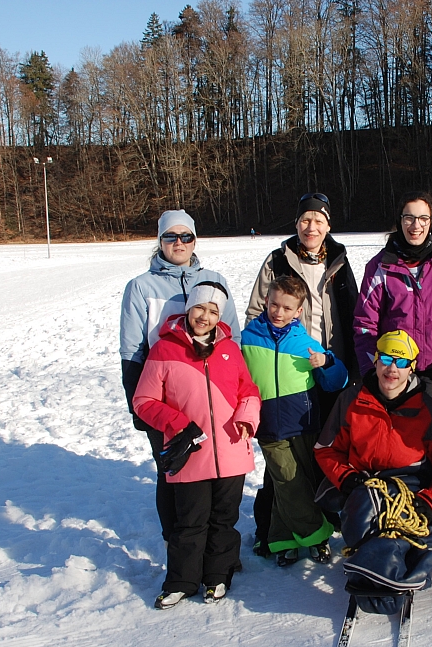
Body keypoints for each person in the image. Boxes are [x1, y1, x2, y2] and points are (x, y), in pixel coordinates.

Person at [315, 331, 432, 614]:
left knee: (402, 525)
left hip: (410, 485)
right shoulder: (351, 400)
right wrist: (345, 478)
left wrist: (429, 503)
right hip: (364, 482)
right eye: (385, 358)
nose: (391, 368)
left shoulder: (428, 411)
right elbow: (326, 449)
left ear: (412, 367)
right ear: (374, 360)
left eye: (401, 361)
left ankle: (379, 573)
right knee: (365, 515)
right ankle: (394, 573)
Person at [132, 281, 261, 609]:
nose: (205, 316)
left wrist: (247, 416)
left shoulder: (230, 349)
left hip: (232, 448)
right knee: (189, 522)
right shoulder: (164, 349)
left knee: (223, 518)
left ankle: (218, 575)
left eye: (213, 311)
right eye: (200, 308)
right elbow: (144, 400)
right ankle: (181, 581)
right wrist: (177, 424)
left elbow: (249, 390)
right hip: (190, 451)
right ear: (188, 310)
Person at [245, 192, 361, 541]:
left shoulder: (339, 259)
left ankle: (321, 518)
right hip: (286, 367)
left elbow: (352, 312)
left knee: (318, 451)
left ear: (328, 226)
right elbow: (255, 311)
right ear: (296, 224)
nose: (311, 227)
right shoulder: (277, 260)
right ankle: (272, 530)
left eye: (319, 220)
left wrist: (349, 368)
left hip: (326, 366)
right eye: (305, 219)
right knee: (281, 458)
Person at [120, 210, 239, 541]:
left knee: (215, 470)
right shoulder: (141, 287)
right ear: (159, 241)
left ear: (195, 240)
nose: (179, 243)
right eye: (170, 236)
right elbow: (132, 351)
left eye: (186, 236)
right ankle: (179, 542)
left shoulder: (215, 279)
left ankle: (214, 547)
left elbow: (233, 339)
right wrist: (138, 404)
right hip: (164, 398)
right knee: (172, 468)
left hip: (211, 394)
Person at [241, 275, 349, 566]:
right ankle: (317, 534)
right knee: (287, 480)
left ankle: (282, 538)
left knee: (298, 482)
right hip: (268, 426)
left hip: (303, 423)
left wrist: (326, 364)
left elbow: (337, 381)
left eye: (287, 308)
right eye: (274, 304)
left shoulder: (305, 342)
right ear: (266, 301)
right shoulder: (249, 338)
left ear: (299, 311)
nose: (278, 312)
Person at [351, 192, 432, 412]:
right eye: (409, 218)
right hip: (394, 371)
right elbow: (365, 324)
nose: (416, 225)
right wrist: (371, 368)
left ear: (431, 222)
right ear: (400, 220)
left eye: (423, 218)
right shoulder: (379, 267)